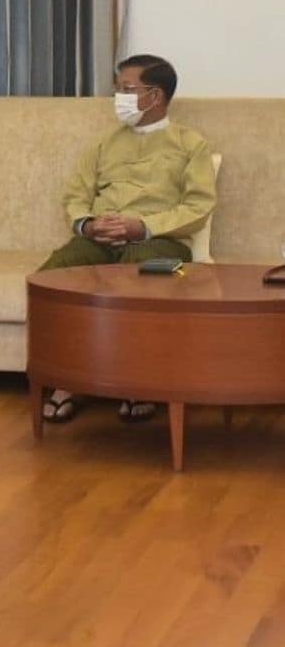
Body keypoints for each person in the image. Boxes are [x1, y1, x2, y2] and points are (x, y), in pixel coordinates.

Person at [38, 54, 217, 423]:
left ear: (155, 96)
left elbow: (198, 206)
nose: (117, 97)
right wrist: (88, 225)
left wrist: (142, 226)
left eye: (126, 89)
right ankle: (65, 380)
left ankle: (137, 383)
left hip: (165, 244)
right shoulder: (103, 142)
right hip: (100, 239)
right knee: (52, 277)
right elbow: (75, 196)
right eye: (117, 89)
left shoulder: (190, 144)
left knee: (144, 277)